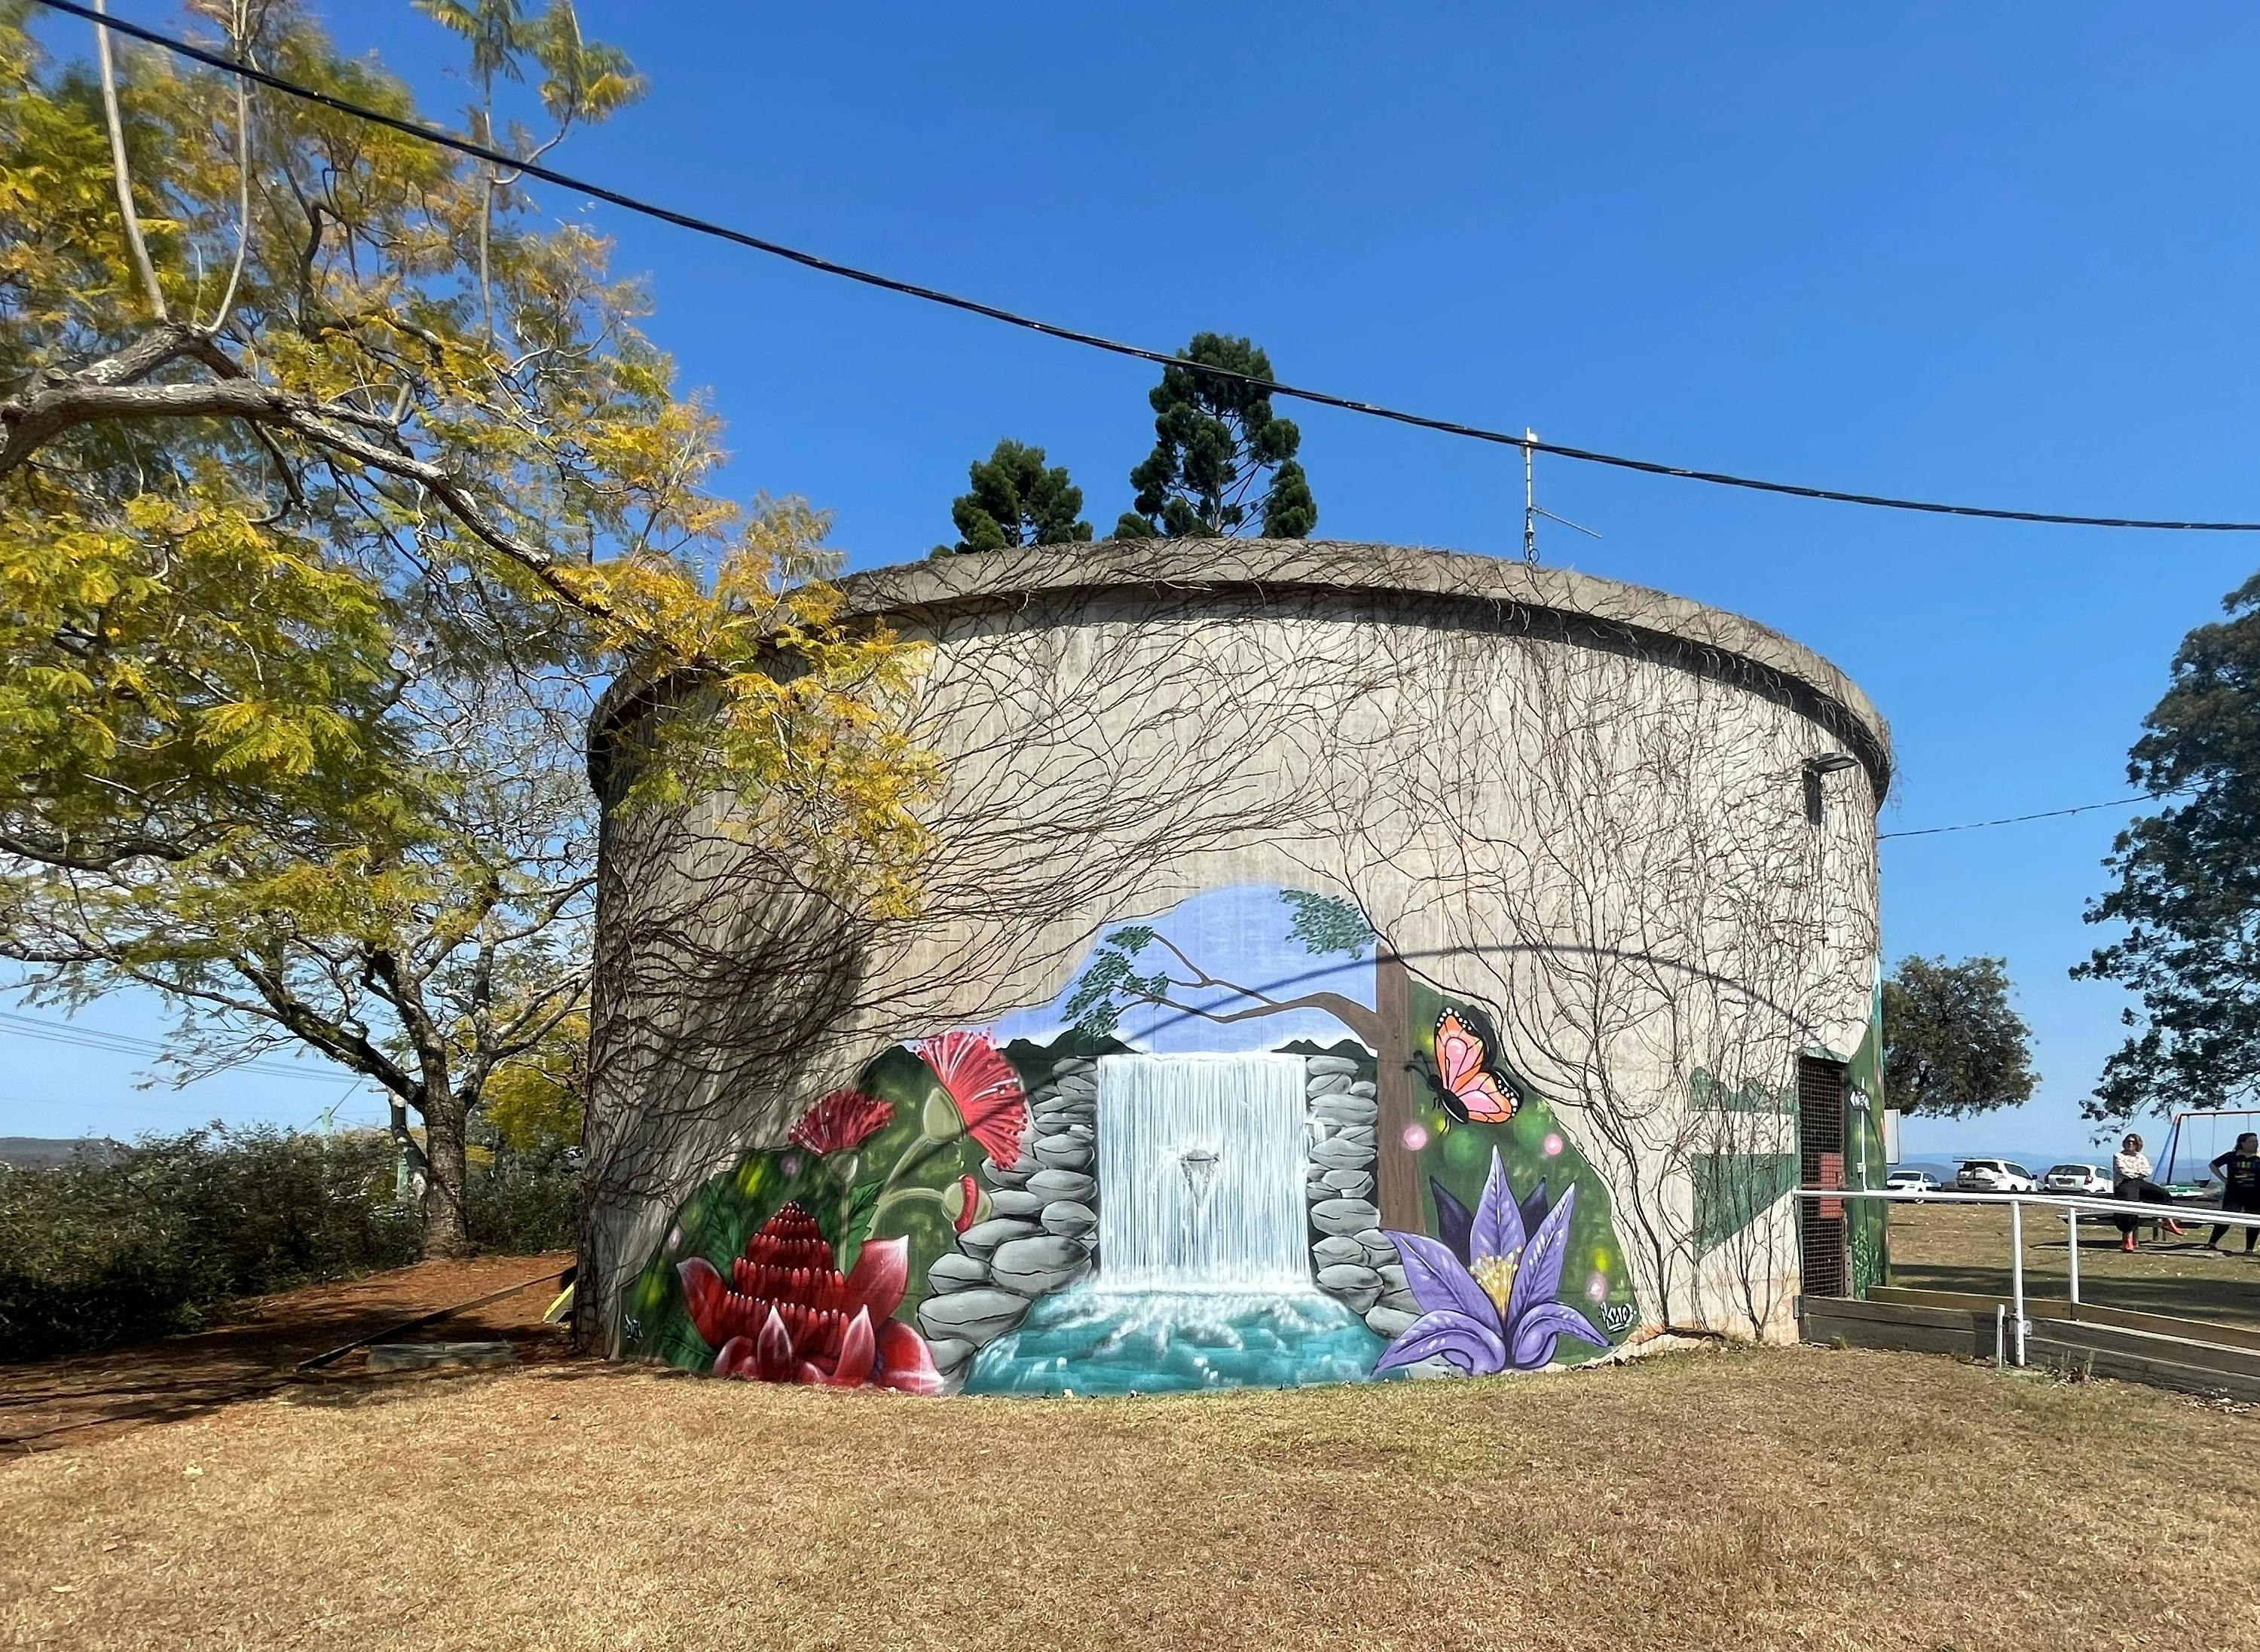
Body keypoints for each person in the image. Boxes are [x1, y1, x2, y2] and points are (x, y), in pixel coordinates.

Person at [2112, 1133, 2185, 1252]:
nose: (2130, 1144)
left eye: (2133, 1142)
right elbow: (2124, 1171)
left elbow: (2148, 1171)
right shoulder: (2118, 1156)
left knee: (2163, 1194)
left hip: (2140, 1183)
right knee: (2129, 1203)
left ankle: (2168, 1221)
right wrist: (2138, 1172)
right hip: (2124, 1184)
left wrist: (2136, 1173)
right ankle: (2128, 1238)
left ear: (2138, 1144)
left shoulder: (2141, 1157)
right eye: (2128, 1141)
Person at [2207, 1132, 2260, 1254]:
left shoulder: (2258, 1158)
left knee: (2253, 1221)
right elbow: (2213, 1165)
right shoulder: (2231, 1156)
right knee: (2227, 1217)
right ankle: (2211, 1243)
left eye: (2256, 1141)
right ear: (2242, 1143)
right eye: (2252, 1141)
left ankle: (2249, 1249)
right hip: (2234, 1193)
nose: (2255, 1144)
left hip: (2255, 1194)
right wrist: (2223, 1179)